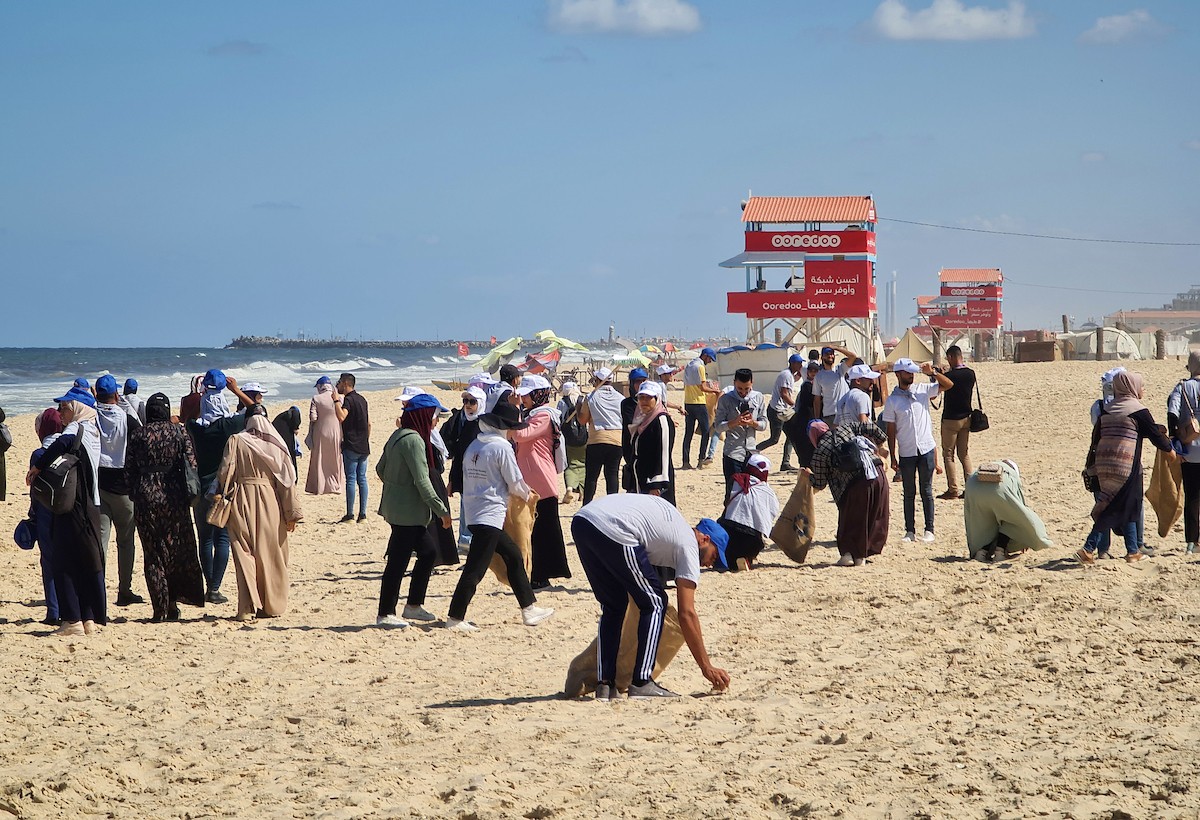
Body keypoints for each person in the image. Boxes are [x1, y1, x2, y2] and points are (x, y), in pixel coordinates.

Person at [571, 494, 732, 700]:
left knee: (614, 605)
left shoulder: (672, 526)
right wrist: (706, 666)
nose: (710, 564)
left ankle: (605, 684)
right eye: (714, 556)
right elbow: (687, 613)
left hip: (583, 522)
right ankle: (642, 682)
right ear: (704, 539)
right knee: (656, 602)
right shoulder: (688, 545)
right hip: (614, 527)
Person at [446, 402, 554, 632]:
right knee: (474, 569)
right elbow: (514, 482)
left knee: (514, 556)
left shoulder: (475, 445)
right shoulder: (501, 448)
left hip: (474, 511)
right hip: (491, 514)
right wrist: (529, 496)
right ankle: (455, 617)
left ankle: (529, 609)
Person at [28, 389, 106, 636]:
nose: (61, 412)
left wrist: (37, 468)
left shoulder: (76, 429)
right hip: (92, 505)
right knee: (86, 560)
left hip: (74, 505)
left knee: (63, 560)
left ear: (78, 408)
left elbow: (61, 443)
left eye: (64, 407)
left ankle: (71, 620)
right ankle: (88, 619)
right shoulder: (94, 431)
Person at [216, 405, 304, 621]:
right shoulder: (277, 446)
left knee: (243, 554)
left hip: (241, 500)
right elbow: (286, 482)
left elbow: (224, 472)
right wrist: (291, 514)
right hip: (270, 502)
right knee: (270, 554)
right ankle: (271, 605)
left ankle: (246, 608)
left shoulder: (236, 441)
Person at [124, 392, 205, 622]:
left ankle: (160, 608)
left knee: (153, 554)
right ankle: (173, 603)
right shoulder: (179, 432)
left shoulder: (139, 435)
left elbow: (129, 470)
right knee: (176, 551)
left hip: (146, 499)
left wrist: (135, 492)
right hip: (174, 498)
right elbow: (191, 463)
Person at [1079, 371, 1175, 564]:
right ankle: (1089, 548)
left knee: (1117, 503)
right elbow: (1156, 437)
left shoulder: (1107, 409)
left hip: (1104, 464)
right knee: (1120, 505)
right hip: (1126, 464)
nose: (1143, 389)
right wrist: (1171, 453)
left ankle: (1132, 551)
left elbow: (1096, 436)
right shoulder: (1137, 410)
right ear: (1132, 387)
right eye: (1141, 385)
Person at [375, 393, 453, 628]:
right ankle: (386, 613)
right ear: (424, 415)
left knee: (428, 552)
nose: (436, 421)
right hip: (407, 513)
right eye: (435, 416)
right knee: (398, 563)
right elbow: (422, 481)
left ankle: (413, 606)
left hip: (397, 509)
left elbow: (381, 469)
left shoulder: (398, 435)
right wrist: (442, 511)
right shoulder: (415, 440)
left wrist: (396, 486)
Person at [187, 373, 255, 604]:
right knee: (222, 538)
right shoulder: (229, 425)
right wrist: (236, 390)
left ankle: (208, 585)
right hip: (225, 487)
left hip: (201, 487)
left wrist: (200, 397)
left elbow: (190, 416)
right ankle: (215, 588)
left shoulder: (196, 427)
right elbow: (254, 409)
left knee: (204, 539)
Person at [882, 358, 952, 543]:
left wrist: (933, 373)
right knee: (909, 492)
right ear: (898, 374)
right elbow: (891, 430)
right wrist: (893, 455)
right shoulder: (892, 401)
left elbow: (949, 384)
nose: (911, 375)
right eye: (907, 372)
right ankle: (909, 530)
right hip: (906, 451)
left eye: (912, 372)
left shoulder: (922, 390)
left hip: (926, 448)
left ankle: (929, 529)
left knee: (926, 491)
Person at [512, 374, 571, 590]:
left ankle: (541, 575)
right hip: (531, 478)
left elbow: (520, 435)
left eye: (527, 396)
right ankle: (537, 574)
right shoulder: (532, 414)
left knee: (544, 530)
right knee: (534, 529)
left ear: (538, 395)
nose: (524, 399)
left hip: (541, 479)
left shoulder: (543, 415)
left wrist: (516, 411)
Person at [806, 418, 890, 567]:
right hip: (878, 473)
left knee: (851, 519)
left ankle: (851, 556)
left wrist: (807, 477)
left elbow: (819, 482)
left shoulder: (820, 450)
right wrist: (880, 442)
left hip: (855, 484)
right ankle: (863, 553)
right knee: (874, 514)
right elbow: (869, 427)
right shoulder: (845, 428)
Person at [93, 374, 144, 607]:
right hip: (124, 489)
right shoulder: (127, 419)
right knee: (126, 542)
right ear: (116, 395)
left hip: (100, 487)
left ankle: (98, 591)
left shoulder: (92, 417)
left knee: (100, 542)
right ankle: (124, 590)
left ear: (97, 394)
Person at [963, 460, 1054, 562]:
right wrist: (1027, 538)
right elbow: (1019, 511)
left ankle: (981, 552)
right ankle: (1000, 552)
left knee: (984, 524)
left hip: (972, 487)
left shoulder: (990, 466)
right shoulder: (1012, 475)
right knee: (1011, 520)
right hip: (1000, 490)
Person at [27, 408, 64, 624]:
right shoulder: (69, 446)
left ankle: (53, 611)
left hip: (44, 511)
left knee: (48, 561)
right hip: (67, 509)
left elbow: (34, 488)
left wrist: (32, 512)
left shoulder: (38, 454)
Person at [712, 368, 768, 503]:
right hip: (732, 453)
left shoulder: (758, 397)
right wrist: (734, 422)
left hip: (751, 454)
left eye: (746, 389)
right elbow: (718, 426)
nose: (743, 392)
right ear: (734, 383)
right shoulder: (726, 399)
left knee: (750, 495)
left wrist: (753, 423)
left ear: (752, 383)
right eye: (739, 389)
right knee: (732, 496)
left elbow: (764, 424)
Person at [716, 453, 779, 571]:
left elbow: (727, 502)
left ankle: (729, 560)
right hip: (752, 540)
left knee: (727, 549)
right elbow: (772, 513)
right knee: (754, 543)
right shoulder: (769, 492)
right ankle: (746, 558)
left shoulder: (736, 480)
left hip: (730, 532)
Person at [445, 386, 486, 548]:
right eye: (465, 401)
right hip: (465, 476)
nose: (468, 405)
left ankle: (469, 540)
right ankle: (465, 540)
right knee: (465, 508)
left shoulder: (485, 425)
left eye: (472, 401)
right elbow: (459, 454)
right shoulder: (465, 424)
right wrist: (452, 481)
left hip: (481, 477)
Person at [1167, 352, 1200, 554]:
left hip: (1190, 450)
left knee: (1193, 496)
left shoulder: (1182, 387)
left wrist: (1175, 440)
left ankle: (1192, 542)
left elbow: (1172, 412)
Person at [577, 367, 624, 504]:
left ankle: (586, 505)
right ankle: (613, 505)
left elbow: (582, 420)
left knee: (591, 476)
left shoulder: (591, 397)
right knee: (612, 475)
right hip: (616, 439)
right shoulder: (620, 398)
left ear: (598, 380)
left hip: (597, 439)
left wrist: (578, 408)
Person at [938, 345, 977, 500]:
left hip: (951, 419)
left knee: (948, 454)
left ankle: (953, 489)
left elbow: (940, 387)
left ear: (952, 357)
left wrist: (940, 373)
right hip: (966, 418)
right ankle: (970, 488)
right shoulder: (970, 374)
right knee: (964, 454)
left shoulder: (951, 376)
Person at [629, 382, 676, 505]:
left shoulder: (661, 420)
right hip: (641, 478)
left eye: (648, 397)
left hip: (655, 483)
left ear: (657, 399)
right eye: (641, 397)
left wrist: (657, 484)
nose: (644, 401)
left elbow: (663, 453)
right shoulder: (642, 420)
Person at [759, 353, 805, 472]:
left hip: (782, 410)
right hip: (777, 411)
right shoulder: (785, 375)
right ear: (793, 363)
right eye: (799, 363)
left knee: (791, 435)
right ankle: (752, 451)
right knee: (774, 439)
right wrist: (795, 406)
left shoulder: (789, 374)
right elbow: (784, 394)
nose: (801, 365)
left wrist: (799, 375)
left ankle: (785, 463)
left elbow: (791, 382)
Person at [336, 372, 371, 523]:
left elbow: (342, 417)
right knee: (362, 479)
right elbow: (369, 424)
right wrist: (366, 439)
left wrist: (336, 401)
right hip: (363, 444)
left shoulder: (348, 400)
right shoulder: (362, 399)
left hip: (351, 444)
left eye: (339, 382)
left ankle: (350, 514)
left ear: (345, 383)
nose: (337, 385)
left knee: (351, 479)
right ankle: (362, 514)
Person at [681, 348, 721, 469]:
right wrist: (715, 391)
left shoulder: (689, 365)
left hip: (688, 402)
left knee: (688, 433)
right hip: (698, 402)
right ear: (705, 356)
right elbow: (703, 387)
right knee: (705, 432)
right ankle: (700, 460)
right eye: (709, 359)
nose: (709, 361)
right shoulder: (700, 367)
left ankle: (685, 461)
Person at [306, 376, 345, 496]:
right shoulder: (340, 397)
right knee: (335, 457)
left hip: (321, 431)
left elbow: (313, 417)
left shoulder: (316, 398)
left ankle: (321, 486)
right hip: (336, 430)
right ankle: (336, 484)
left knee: (320, 458)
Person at [620, 368, 650, 492]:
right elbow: (632, 423)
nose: (641, 384)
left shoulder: (654, 402)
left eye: (644, 381)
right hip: (631, 447)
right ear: (632, 384)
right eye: (638, 381)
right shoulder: (627, 404)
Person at [811, 344, 857, 426]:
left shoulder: (840, 369)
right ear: (822, 357)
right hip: (829, 414)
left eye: (832, 354)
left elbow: (853, 357)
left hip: (845, 412)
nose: (830, 356)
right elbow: (816, 400)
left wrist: (836, 348)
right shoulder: (819, 376)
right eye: (827, 354)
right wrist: (817, 419)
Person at [557, 381, 587, 504]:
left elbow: (559, 419)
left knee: (570, 464)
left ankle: (569, 488)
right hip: (584, 437)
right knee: (583, 464)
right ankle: (582, 493)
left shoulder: (562, 402)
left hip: (568, 437)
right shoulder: (583, 400)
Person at [272, 406, 303, 475]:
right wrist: (296, 428)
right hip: (285, 440)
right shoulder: (293, 414)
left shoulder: (280, 418)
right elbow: (295, 413)